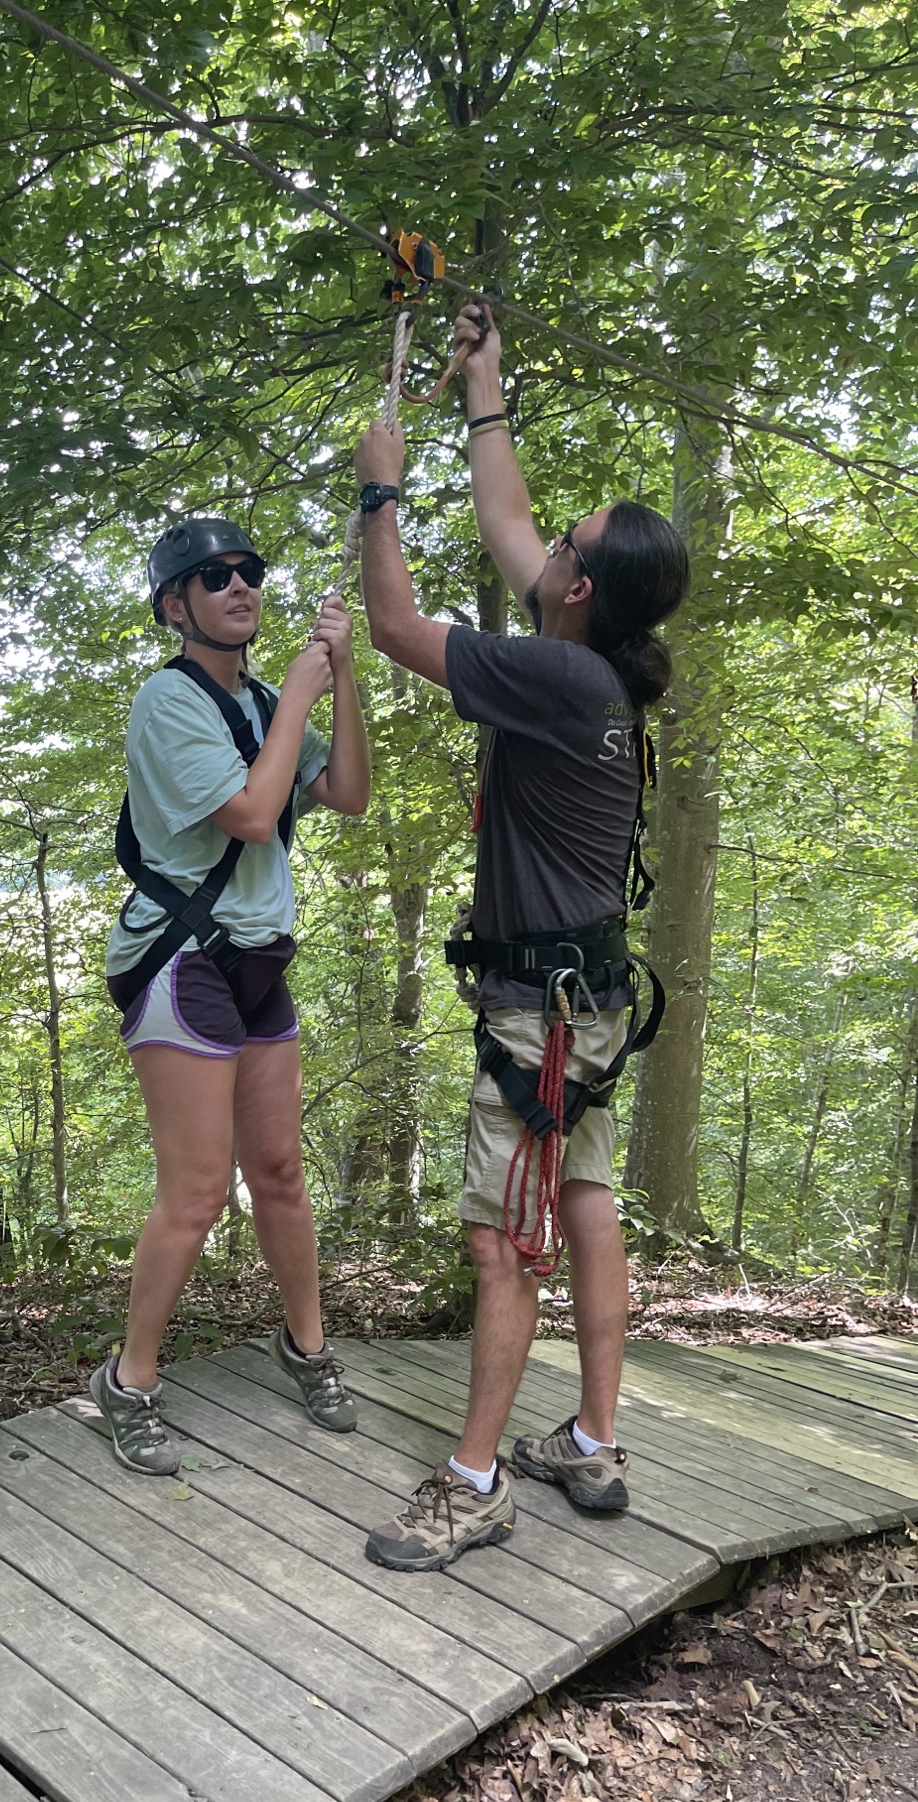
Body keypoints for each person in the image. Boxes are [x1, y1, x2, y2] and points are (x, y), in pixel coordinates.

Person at [352, 303, 691, 1571]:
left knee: (507, 1236)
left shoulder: (555, 681)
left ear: (580, 589)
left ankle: (474, 1479)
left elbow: (393, 628)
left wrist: (380, 495)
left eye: (566, 545)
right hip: (588, 996)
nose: (543, 542)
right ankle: (593, 1439)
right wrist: (481, 390)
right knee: (587, 1197)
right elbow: (509, 523)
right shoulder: (596, 668)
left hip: (537, 1015)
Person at [93, 518, 372, 1473]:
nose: (241, 588)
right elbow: (255, 817)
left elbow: (348, 793)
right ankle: (128, 1380)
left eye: (251, 573)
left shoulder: (262, 703)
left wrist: (341, 680)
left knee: (283, 1171)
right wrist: (299, 687)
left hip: (258, 959)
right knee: (200, 1191)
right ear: (176, 606)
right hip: (183, 960)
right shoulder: (167, 704)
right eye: (216, 578)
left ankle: (308, 1346)